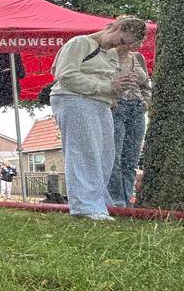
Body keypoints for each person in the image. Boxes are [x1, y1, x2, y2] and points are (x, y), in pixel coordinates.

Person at [50, 16, 146, 220]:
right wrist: (107, 87)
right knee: (84, 152)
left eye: (127, 45)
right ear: (116, 27)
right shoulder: (80, 43)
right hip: (73, 99)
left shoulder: (109, 54)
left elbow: (109, 81)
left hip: (101, 103)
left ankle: (98, 201)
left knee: (105, 155)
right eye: (121, 41)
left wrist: (117, 87)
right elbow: (64, 74)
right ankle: (84, 206)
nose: (120, 47)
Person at [107, 42, 151, 207]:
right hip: (116, 107)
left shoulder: (138, 57)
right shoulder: (107, 56)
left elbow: (146, 84)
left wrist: (146, 102)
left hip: (136, 108)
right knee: (115, 156)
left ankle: (126, 200)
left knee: (131, 158)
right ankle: (116, 201)